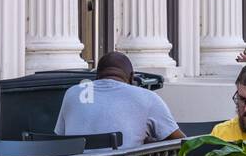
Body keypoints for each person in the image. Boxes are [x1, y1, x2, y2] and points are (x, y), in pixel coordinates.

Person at [54, 51, 183, 149]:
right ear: (132, 78)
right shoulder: (148, 98)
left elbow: (60, 137)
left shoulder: (72, 93)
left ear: (97, 76)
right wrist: (148, 143)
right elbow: (181, 142)